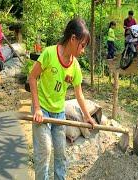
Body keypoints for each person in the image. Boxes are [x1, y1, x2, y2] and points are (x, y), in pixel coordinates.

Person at [29, 18, 96, 180]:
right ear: (73, 39)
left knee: (61, 153)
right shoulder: (49, 54)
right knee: (44, 150)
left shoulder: (75, 66)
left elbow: (79, 94)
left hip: (59, 113)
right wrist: (37, 108)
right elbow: (32, 78)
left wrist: (87, 116)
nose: (83, 50)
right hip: (42, 110)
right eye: (82, 45)